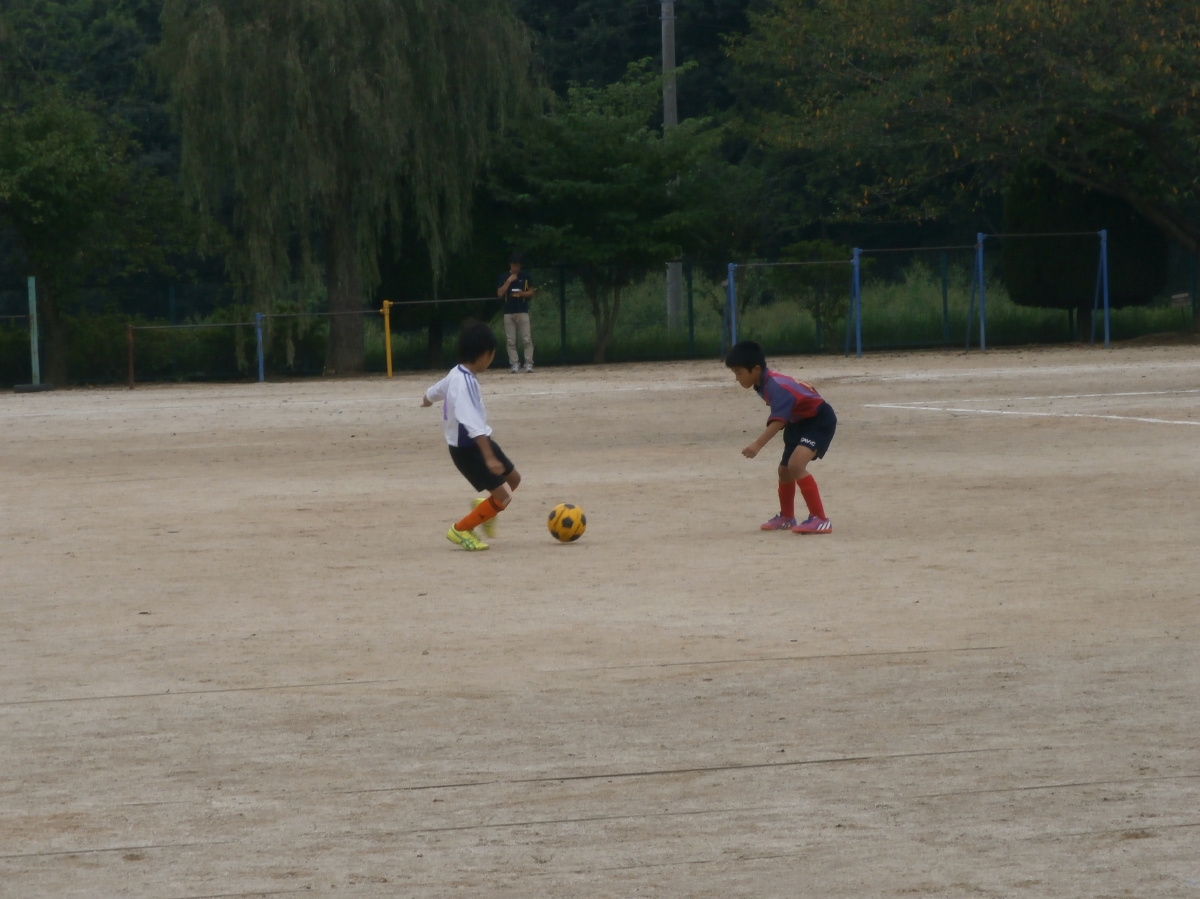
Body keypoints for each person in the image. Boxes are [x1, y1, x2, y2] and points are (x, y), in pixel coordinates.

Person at [422, 322, 521, 551]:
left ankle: (485, 509)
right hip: (468, 450)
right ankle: (460, 529)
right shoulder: (464, 383)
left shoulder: (458, 373)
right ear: (484, 354)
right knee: (504, 496)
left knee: (513, 480)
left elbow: (436, 390)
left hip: (481, 442)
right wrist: (489, 458)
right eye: (492, 354)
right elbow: (473, 425)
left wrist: (426, 399)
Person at [725, 340, 836, 534]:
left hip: (818, 420)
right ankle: (786, 517)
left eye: (739, 372)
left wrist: (757, 445)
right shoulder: (761, 383)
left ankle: (820, 519)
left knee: (796, 465)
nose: (737, 378)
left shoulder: (775, 385)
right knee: (784, 471)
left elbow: (778, 421)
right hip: (797, 421)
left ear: (756, 369)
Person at [496, 253, 535, 373]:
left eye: (517, 266)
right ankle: (514, 364)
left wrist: (521, 294)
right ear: (510, 265)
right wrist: (508, 281)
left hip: (522, 311)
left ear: (520, 266)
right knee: (510, 340)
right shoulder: (504, 277)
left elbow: (531, 292)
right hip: (509, 312)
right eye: (513, 266)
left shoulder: (526, 276)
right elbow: (499, 293)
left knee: (526, 338)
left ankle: (529, 363)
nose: (515, 268)